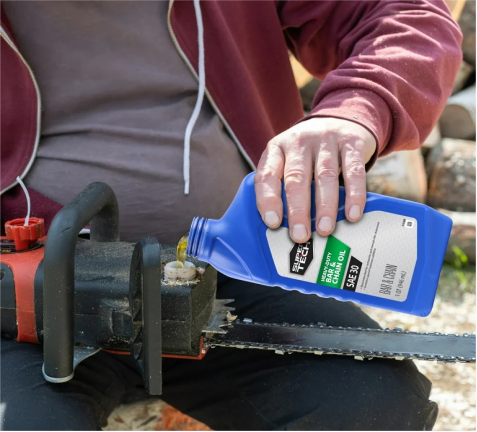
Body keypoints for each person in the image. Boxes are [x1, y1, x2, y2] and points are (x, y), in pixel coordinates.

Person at [0, 1, 462, 430]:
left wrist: (357, 110)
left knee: (371, 403)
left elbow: (404, 14)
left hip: (235, 274)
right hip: (26, 298)